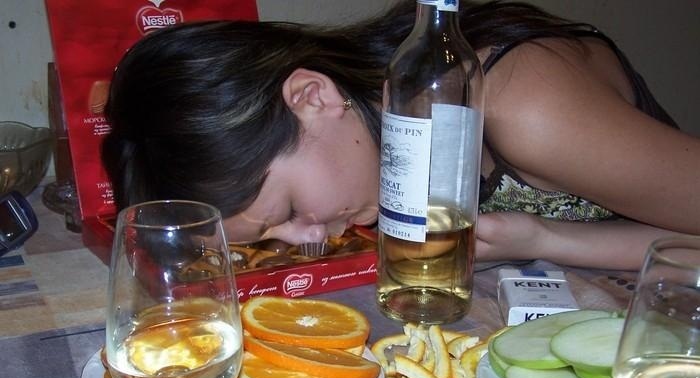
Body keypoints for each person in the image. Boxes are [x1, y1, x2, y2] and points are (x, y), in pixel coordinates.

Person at [101, 0, 700, 271]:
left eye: (287, 212)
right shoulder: (388, 137)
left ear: (314, 98)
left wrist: (547, 239)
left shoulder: (522, 106)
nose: (309, 240)